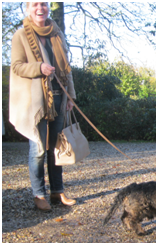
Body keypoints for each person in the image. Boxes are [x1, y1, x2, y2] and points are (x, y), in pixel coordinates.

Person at [9, 2, 76, 211]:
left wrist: (71, 96)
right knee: (38, 149)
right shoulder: (20, 35)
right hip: (36, 102)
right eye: (35, 4)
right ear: (28, 9)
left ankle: (57, 192)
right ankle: (39, 195)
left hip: (59, 99)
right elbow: (17, 66)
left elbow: (67, 68)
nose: (41, 8)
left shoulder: (57, 34)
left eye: (44, 4)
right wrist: (39, 67)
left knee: (56, 148)